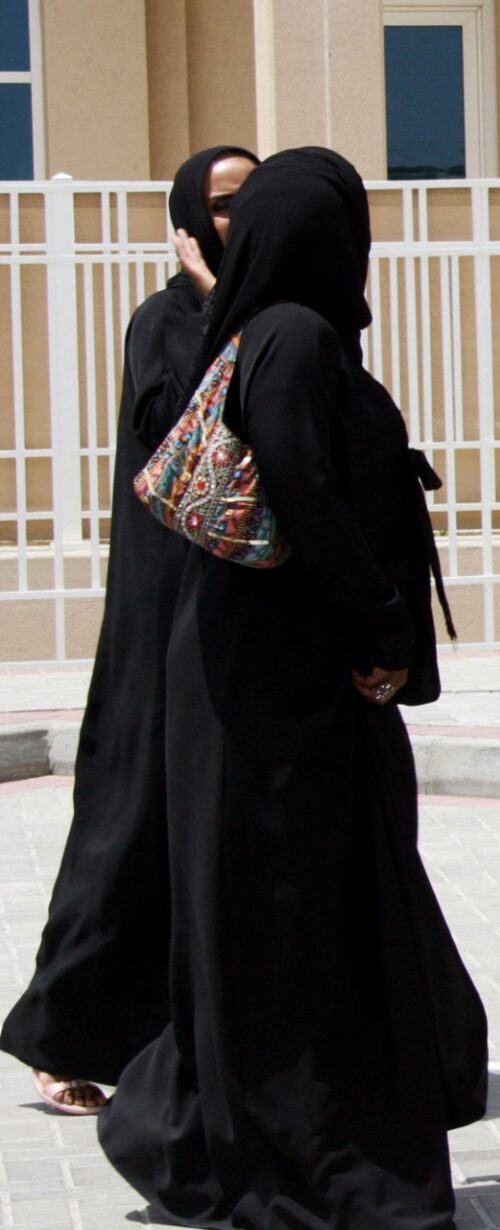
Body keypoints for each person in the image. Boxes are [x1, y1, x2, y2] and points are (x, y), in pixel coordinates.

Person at [97, 148, 488, 1229]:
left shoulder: (263, 335)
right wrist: (376, 621)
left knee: (287, 918)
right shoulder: (298, 341)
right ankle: (293, 1152)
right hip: (279, 693)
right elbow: (306, 490)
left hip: (260, 680)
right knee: (290, 921)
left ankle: (200, 1131)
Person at [0, 146, 256, 1115]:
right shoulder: (167, 318)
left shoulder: (274, 318)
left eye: (255, 204)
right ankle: (60, 1033)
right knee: (131, 818)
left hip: (235, 605)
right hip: (164, 603)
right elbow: (178, 420)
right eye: (227, 206)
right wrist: (208, 303)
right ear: (191, 219)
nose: (244, 221)